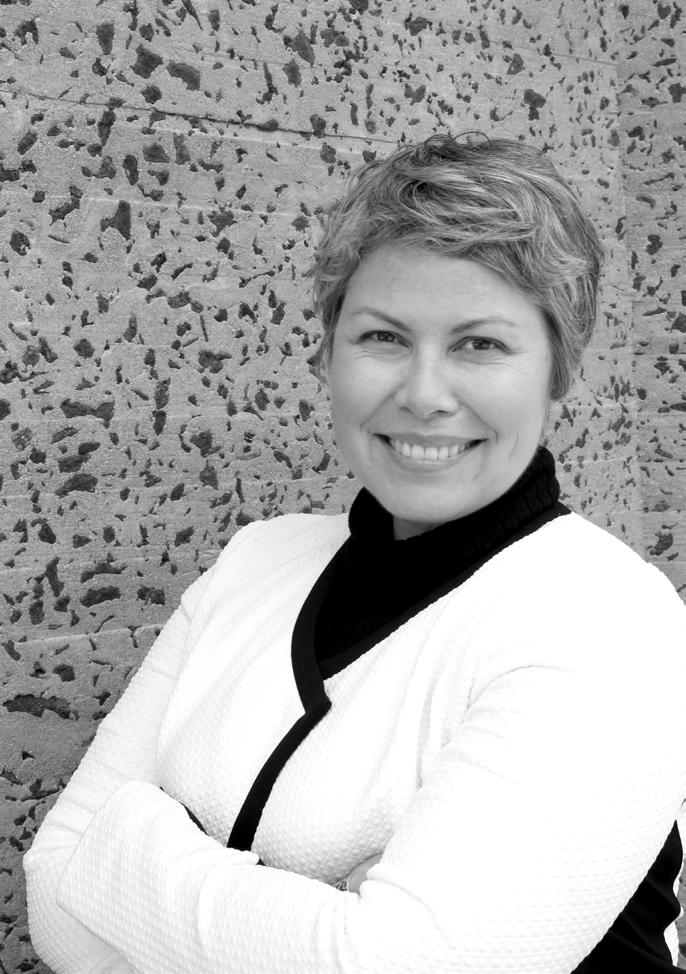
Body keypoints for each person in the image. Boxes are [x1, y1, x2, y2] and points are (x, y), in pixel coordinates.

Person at [24, 133, 686, 974]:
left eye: (481, 343)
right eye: (383, 337)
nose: (424, 394)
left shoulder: (609, 620)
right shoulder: (256, 563)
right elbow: (53, 897)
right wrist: (330, 922)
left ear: (558, 368)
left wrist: (127, 849)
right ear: (329, 352)